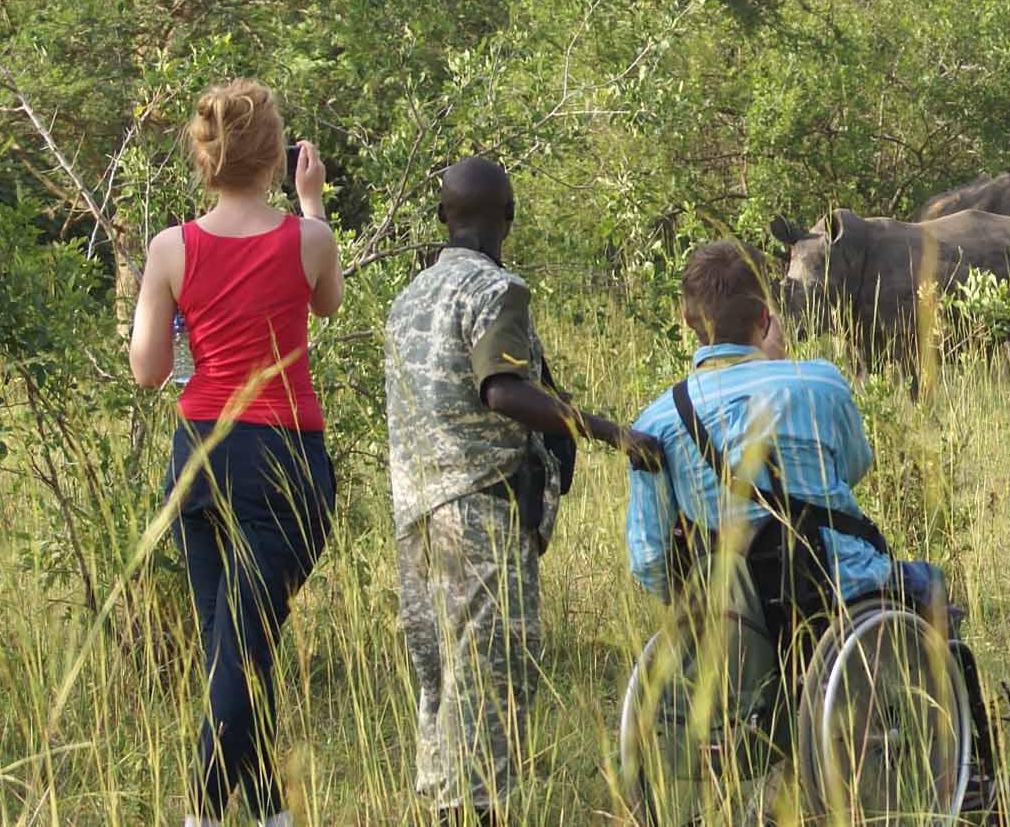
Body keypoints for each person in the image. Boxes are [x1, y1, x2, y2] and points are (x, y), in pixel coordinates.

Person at [384, 155, 660, 827]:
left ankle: (445, 805)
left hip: (416, 515)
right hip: (480, 512)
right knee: (487, 680)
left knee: (439, 680)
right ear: (508, 218)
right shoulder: (498, 290)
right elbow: (502, 391)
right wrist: (607, 431)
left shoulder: (407, 299)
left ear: (442, 217)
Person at [129, 79, 342, 827]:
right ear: (276, 156)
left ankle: (256, 813)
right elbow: (327, 301)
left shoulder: (168, 248)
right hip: (284, 460)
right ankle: (207, 812)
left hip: (198, 460)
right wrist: (310, 201)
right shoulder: (307, 239)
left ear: (204, 155)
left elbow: (148, 369)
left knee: (237, 643)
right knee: (242, 647)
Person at [624, 237, 946, 647]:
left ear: (686, 319)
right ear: (765, 316)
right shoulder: (821, 382)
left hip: (733, 619)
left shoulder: (656, 421)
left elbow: (650, 557)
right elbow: (853, 468)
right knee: (930, 582)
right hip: (845, 593)